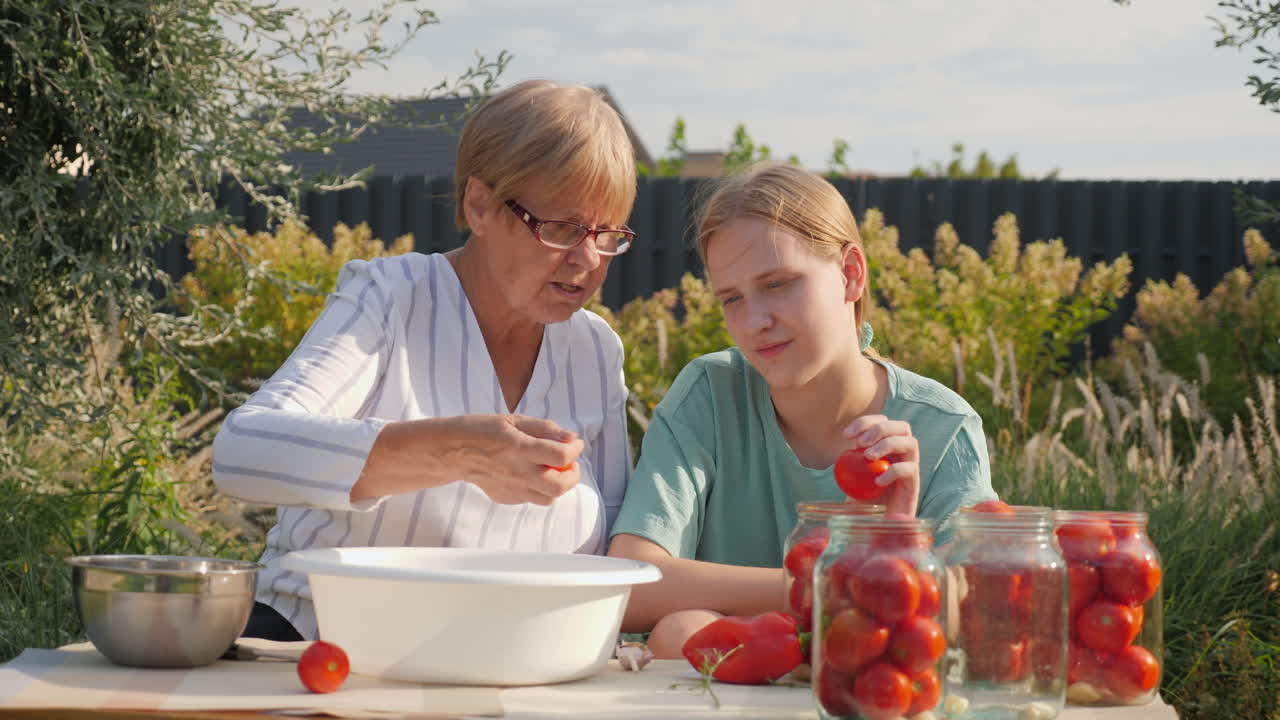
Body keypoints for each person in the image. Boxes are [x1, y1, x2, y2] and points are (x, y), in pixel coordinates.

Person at [212, 79, 638, 642]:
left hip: (502, 671)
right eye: (561, 228)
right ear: (479, 205)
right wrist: (458, 451)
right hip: (310, 655)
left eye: (606, 234)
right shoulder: (390, 299)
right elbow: (243, 452)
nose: (587, 259)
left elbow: (613, 552)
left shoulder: (595, 350)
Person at [606, 163, 996, 658]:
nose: (755, 322)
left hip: (871, 688)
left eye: (778, 284)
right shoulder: (708, 394)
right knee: (682, 630)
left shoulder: (942, 427)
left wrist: (898, 544)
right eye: (732, 298)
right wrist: (837, 582)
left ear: (850, 274)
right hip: (725, 696)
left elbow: (974, 618)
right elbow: (632, 583)